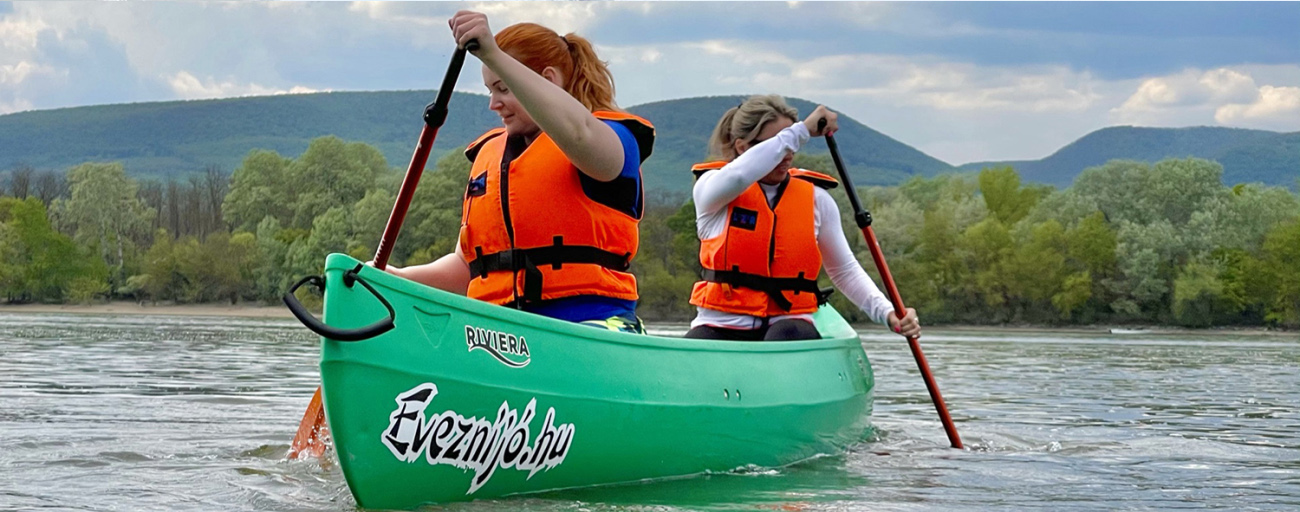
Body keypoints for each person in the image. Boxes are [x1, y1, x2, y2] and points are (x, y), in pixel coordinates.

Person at [377, 11, 655, 333]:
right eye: (490, 90)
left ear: (548, 81)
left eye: (504, 88)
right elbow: (465, 268)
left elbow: (579, 133)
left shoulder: (612, 140)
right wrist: (389, 277)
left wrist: (492, 52)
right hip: (497, 333)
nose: (494, 104)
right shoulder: (492, 159)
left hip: (591, 323)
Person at [685, 95, 919, 341]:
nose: (786, 154)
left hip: (789, 324)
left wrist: (888, 312)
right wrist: (801, 131)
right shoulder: (711, 188)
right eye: (778, 145)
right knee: (698, 340)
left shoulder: (817, 200)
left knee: (786, 333)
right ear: (743, 147)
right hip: (721, 323)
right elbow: (739, 176)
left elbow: (844, 270)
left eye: (791, 147)